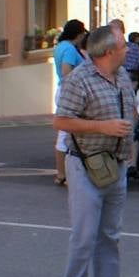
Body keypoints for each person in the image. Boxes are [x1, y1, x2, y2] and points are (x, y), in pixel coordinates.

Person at [51, 24, 139, 277]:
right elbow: (62, 120)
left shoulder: (122, 76)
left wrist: (129, 144)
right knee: (84, 235)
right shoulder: (80, 79)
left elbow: (130, 110)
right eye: (123, 46)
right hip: (86, 163)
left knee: (110, 235)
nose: (127, 50)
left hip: (116, 163)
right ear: (108, 52)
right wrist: (103, 128)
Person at [51, 19, 88, 186]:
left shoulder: (61, 46)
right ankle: (62, 173)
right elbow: (67, 71)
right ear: (78, 34)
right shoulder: (70, 50)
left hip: (63, 91)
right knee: (66, 132)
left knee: (66, 132)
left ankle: (62, 173)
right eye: (82, 35)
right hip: (69, 93)